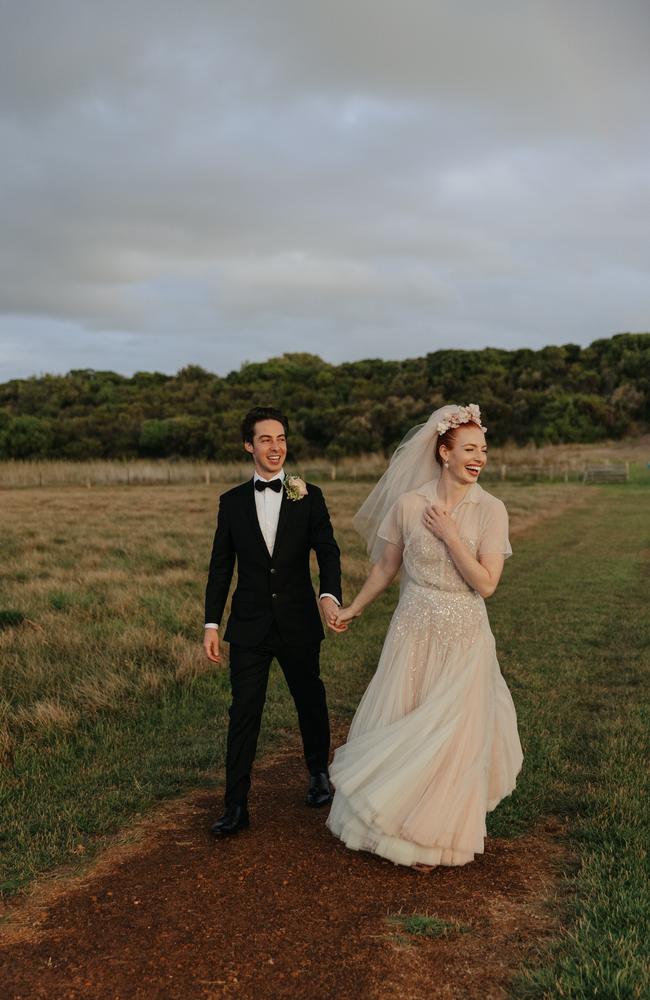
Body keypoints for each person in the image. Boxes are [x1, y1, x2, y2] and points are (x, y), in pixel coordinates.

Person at [326, 404, 523, 869]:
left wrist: (453, 535)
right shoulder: (409, 504)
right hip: (413, 626)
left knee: (450, 734)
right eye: (470, 449)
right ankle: (387, 823)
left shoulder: (492, 510)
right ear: (443, 451)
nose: (480, 458)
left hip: (465, 632)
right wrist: (353, 607)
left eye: (484, 450)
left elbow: (488, 584)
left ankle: (434, 837)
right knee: (406, 719)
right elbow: (386, 568)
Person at [204, 406, 343, 836]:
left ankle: (319, 775)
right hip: (248, 625)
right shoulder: (231, 503)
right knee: (243, 711)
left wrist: (328, 596)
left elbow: (329, 551)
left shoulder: (309, 495)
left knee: (310, 698)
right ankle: (236, 806)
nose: (275, 447)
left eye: (281, 438)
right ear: (249, 446)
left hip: (299, 619)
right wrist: (212, 624)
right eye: (266, 439)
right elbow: (221, 567)